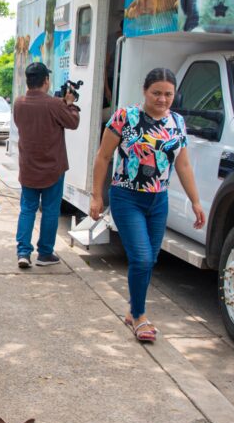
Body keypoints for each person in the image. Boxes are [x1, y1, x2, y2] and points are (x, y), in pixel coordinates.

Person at [89, 67, 205, 342]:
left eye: (168, 94)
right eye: (157, 93)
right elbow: (103, 157)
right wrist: (96, 195)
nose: (162, 99)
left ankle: (134, 311)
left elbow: (184, 164)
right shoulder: (125, 117)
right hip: (126, 196)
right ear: (145, 91)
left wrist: (196, 201)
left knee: (149, 260)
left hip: (158, 200)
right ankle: (139, 315)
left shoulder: (177, 121)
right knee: (141, 257)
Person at [12, 61, 80, 268]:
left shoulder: (19, 103)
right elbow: (73, 123)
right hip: (53, 168)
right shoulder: (54, 104)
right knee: (50, 211)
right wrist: (69, 103)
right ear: (46, 80)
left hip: (29, 167)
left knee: (27, 209)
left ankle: (23, 252)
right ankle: (45, 254)